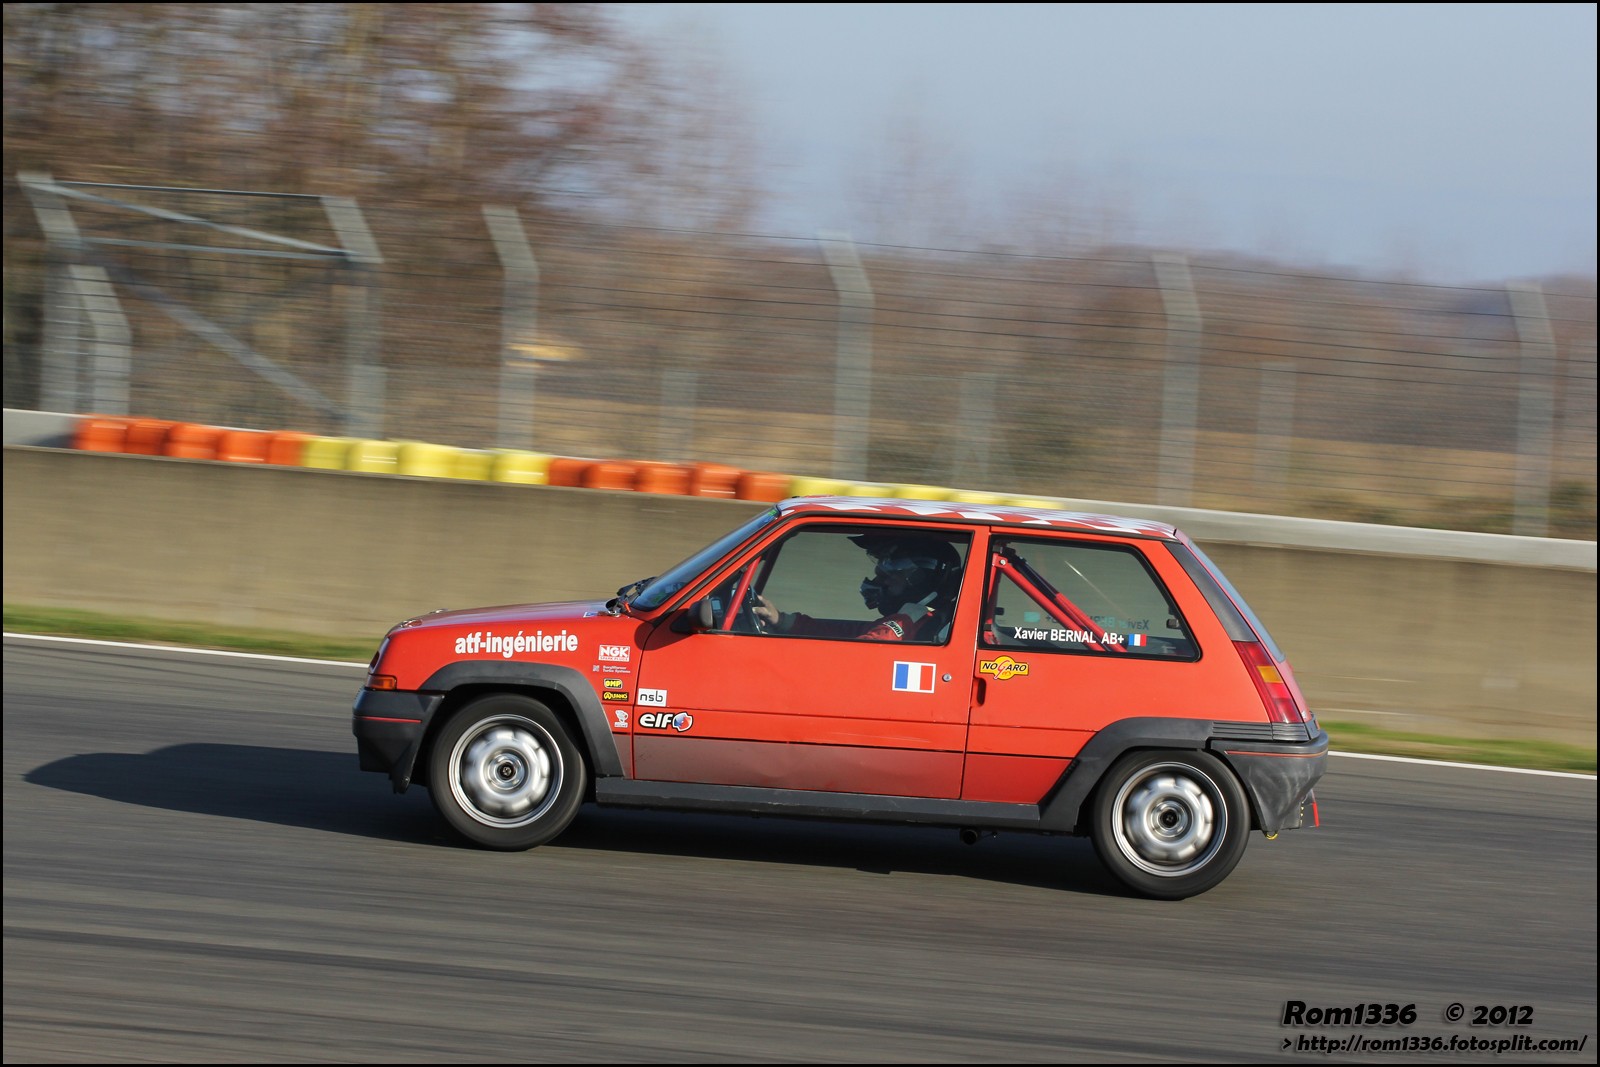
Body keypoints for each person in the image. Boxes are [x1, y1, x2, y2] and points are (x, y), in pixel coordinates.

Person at [751, 533, 962, 642]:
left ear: (923, 579)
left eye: (894, 573)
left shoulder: (911, 620)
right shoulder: (912, 618)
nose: (882, 581)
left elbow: (861, 652)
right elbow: (852, 632)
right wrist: (783, 621)